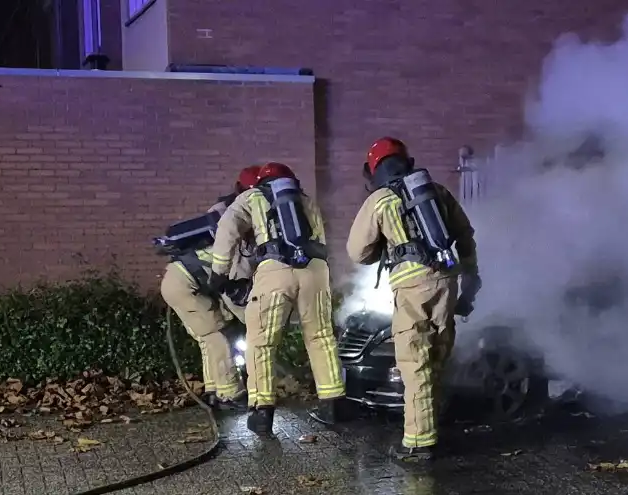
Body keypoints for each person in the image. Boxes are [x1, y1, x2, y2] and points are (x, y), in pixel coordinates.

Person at [346, 137, 480, 461]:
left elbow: (357, 252)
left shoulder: (379, 200)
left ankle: (419, 444)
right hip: (446, 282)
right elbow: (465, 234)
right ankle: (431, 427)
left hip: (411, 289)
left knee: (414, 362)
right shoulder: (437, 191)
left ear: (374, 169)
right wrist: (471, 279)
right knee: (435, 358)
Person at [208, 162, 346, 434]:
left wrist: (219, 273)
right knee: (320, 337)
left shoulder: (251, 197)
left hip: (274, 270)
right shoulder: (307, 201)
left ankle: (262, 411)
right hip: (316, 271)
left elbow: (227, 229)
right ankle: (332, 403)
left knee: (261, 343)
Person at [159, 166, 260, 411]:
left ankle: (214, 391)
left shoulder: (224, 220)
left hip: (181, 282)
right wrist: (250, 321)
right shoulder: (236, 245)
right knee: (217, 338)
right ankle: (232, 395)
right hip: (184, 286)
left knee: (209, 339)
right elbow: (231, 287)